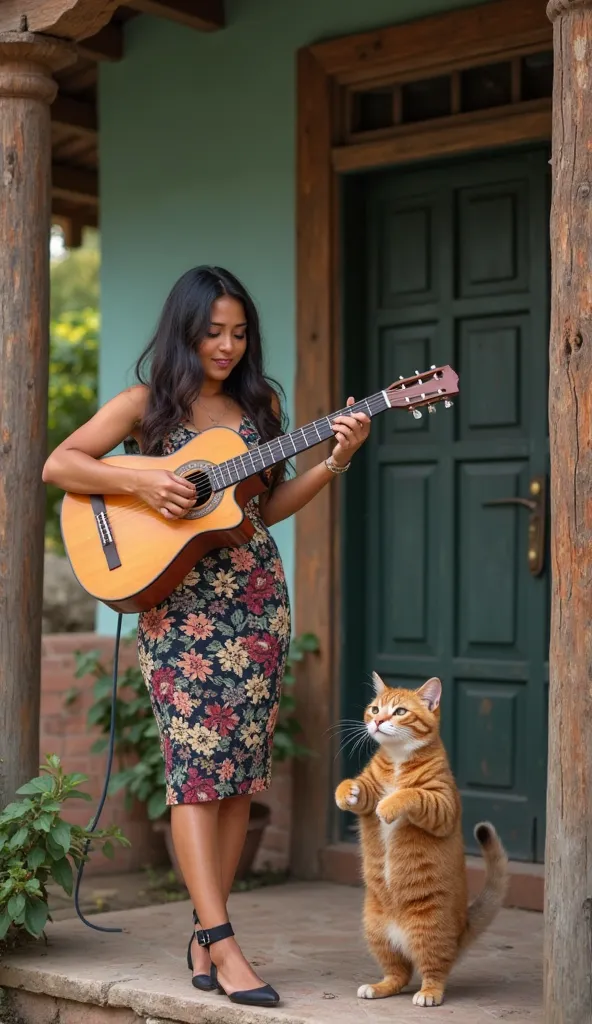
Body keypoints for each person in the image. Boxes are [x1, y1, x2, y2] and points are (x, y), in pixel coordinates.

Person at [43, 266, 370, 1007]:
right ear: (184, 332)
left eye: (239, 332)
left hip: (254, 602)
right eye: (213, 332)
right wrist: (144, 481)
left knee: (238, 781)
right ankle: (224, 946)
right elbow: (60, 464)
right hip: (177, 610)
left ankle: (204, 931)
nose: (227, 345)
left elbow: (264, 505)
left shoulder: (261, 407)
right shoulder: (145, 408)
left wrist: (335, 459)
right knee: (196, 771)